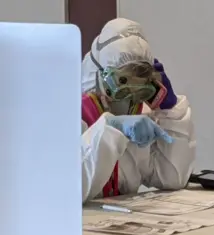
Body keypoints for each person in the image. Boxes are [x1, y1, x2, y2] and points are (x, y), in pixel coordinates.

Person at [81, 18, 196, 203]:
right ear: (99, 76)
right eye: (122, 82)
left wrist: (171, 110)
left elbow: (173, 178)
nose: (129, 97)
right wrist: (110, 129)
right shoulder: (69, 118)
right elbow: (69, 188)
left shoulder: (138, 120)